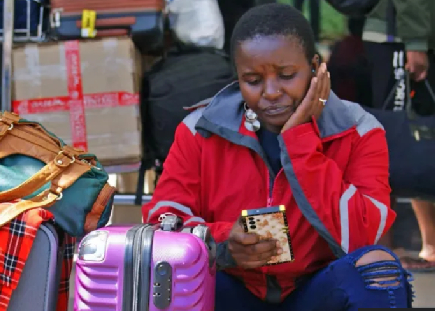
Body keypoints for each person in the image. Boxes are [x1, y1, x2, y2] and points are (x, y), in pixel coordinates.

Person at [142, 4, 413, 310]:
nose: (270, 92)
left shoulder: (359, 130)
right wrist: (221, 243)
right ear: (237, 77)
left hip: (315, 290)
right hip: (231, 287)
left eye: (286, 75)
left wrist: (300, 143)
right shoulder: (201, 129)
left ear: (316, 67)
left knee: (380, 271)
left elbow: (364, 236)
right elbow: (162, 220)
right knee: (168, 275)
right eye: (253, 80)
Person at [362, 0, 435, 272]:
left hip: (416, 35)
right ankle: (388, 248)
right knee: (390, 142)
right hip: (398, 37)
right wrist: (415, 40)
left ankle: (429, 243)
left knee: (418, 140)